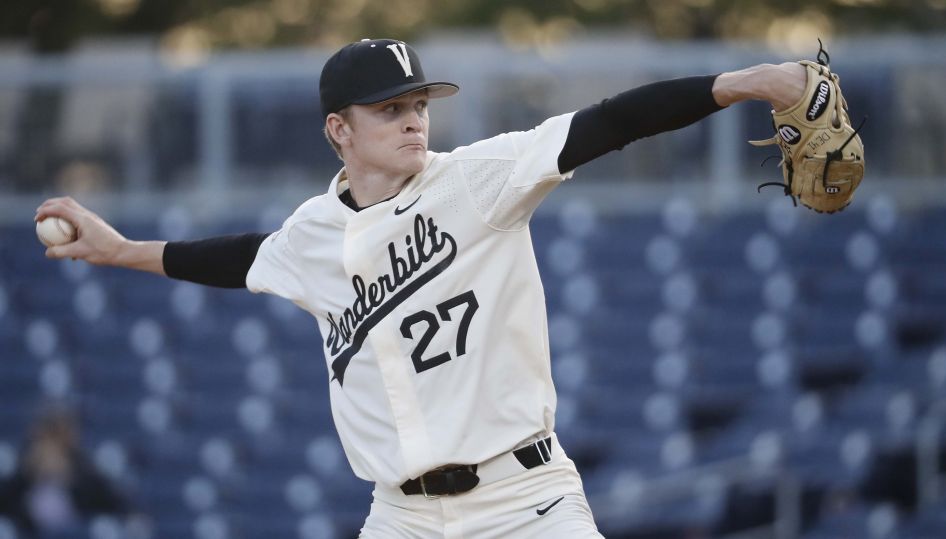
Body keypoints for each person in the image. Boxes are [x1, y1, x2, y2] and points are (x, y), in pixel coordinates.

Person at [35, 38, 807, 537]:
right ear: (339, 129)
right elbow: (243, 257)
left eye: (419, 105)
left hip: (524, 503)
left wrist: (749, 82)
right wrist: (124, 250)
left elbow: (611, 121)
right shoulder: (311, 232)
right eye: (390, 108)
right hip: (399, 514)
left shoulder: (478, 180)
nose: (414, 121)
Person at [0, 405, 131, 537]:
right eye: (46, 441)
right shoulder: (19, 483)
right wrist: (30, 475)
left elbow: (120, 507)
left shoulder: (89, 481)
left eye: (57, 443)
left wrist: (69, 479)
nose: (51, 451)